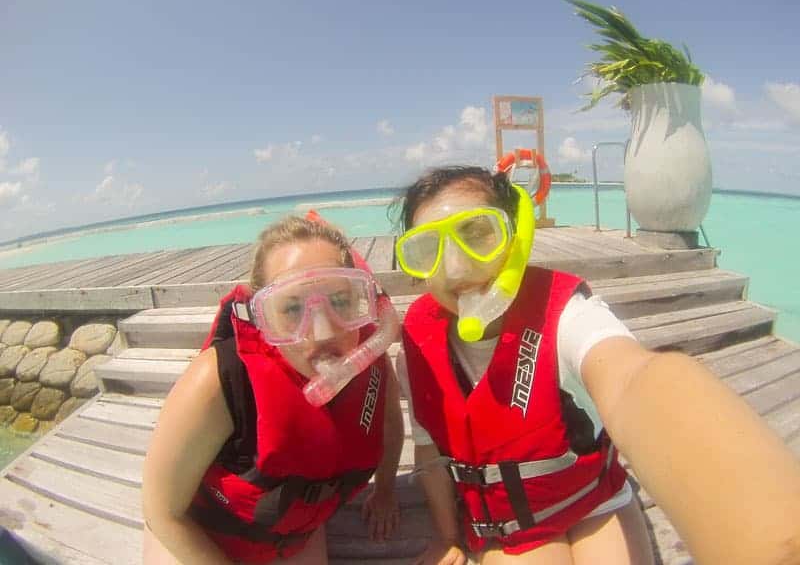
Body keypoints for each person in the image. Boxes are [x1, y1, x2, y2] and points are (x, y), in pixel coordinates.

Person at [392, 165, 800, 565]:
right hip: (509, 527)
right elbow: (428, 448)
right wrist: (448, 537)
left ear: (516, 238)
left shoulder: (567, 311)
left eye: (478, 234)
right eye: (427, 250)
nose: (456, 268)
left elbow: (630, 380)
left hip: (591, 503)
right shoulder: (418, 340)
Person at [142, 216, 405, 565]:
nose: (323, 331)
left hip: (295, 536)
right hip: (199, 537)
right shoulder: (219, 380)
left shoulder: (368, 358)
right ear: (262, 318)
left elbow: (388, 427)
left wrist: (385, 492)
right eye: (293, 307)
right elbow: (162, 511)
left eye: (340, 300)